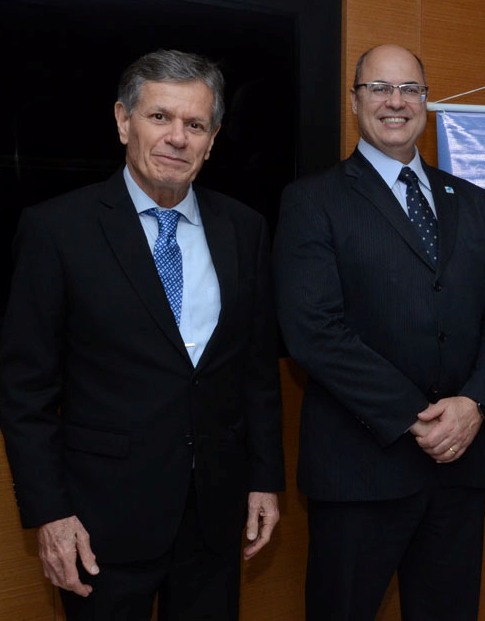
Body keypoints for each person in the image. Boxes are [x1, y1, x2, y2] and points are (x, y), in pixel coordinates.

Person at [0, 49, 285, 620]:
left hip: (214, 518)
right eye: (160, 117)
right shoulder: (58, 230)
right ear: (123, 120)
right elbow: (25, 391)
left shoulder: (244, 229)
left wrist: (264, 480)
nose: (177, 137)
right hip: (99, 523)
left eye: (195, 124)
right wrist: (50, 515)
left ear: (212, 139)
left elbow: (255, 373)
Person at [273, 43, 485, 620]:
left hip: (458, 469)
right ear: (354, 101)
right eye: (380, 88)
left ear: (426, 101)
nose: (396, 101)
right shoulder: (313, 200)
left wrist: (474, 405)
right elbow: (313, 330)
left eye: (410, 89)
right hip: (358, 472)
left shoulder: (473, 202)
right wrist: (417, 417)